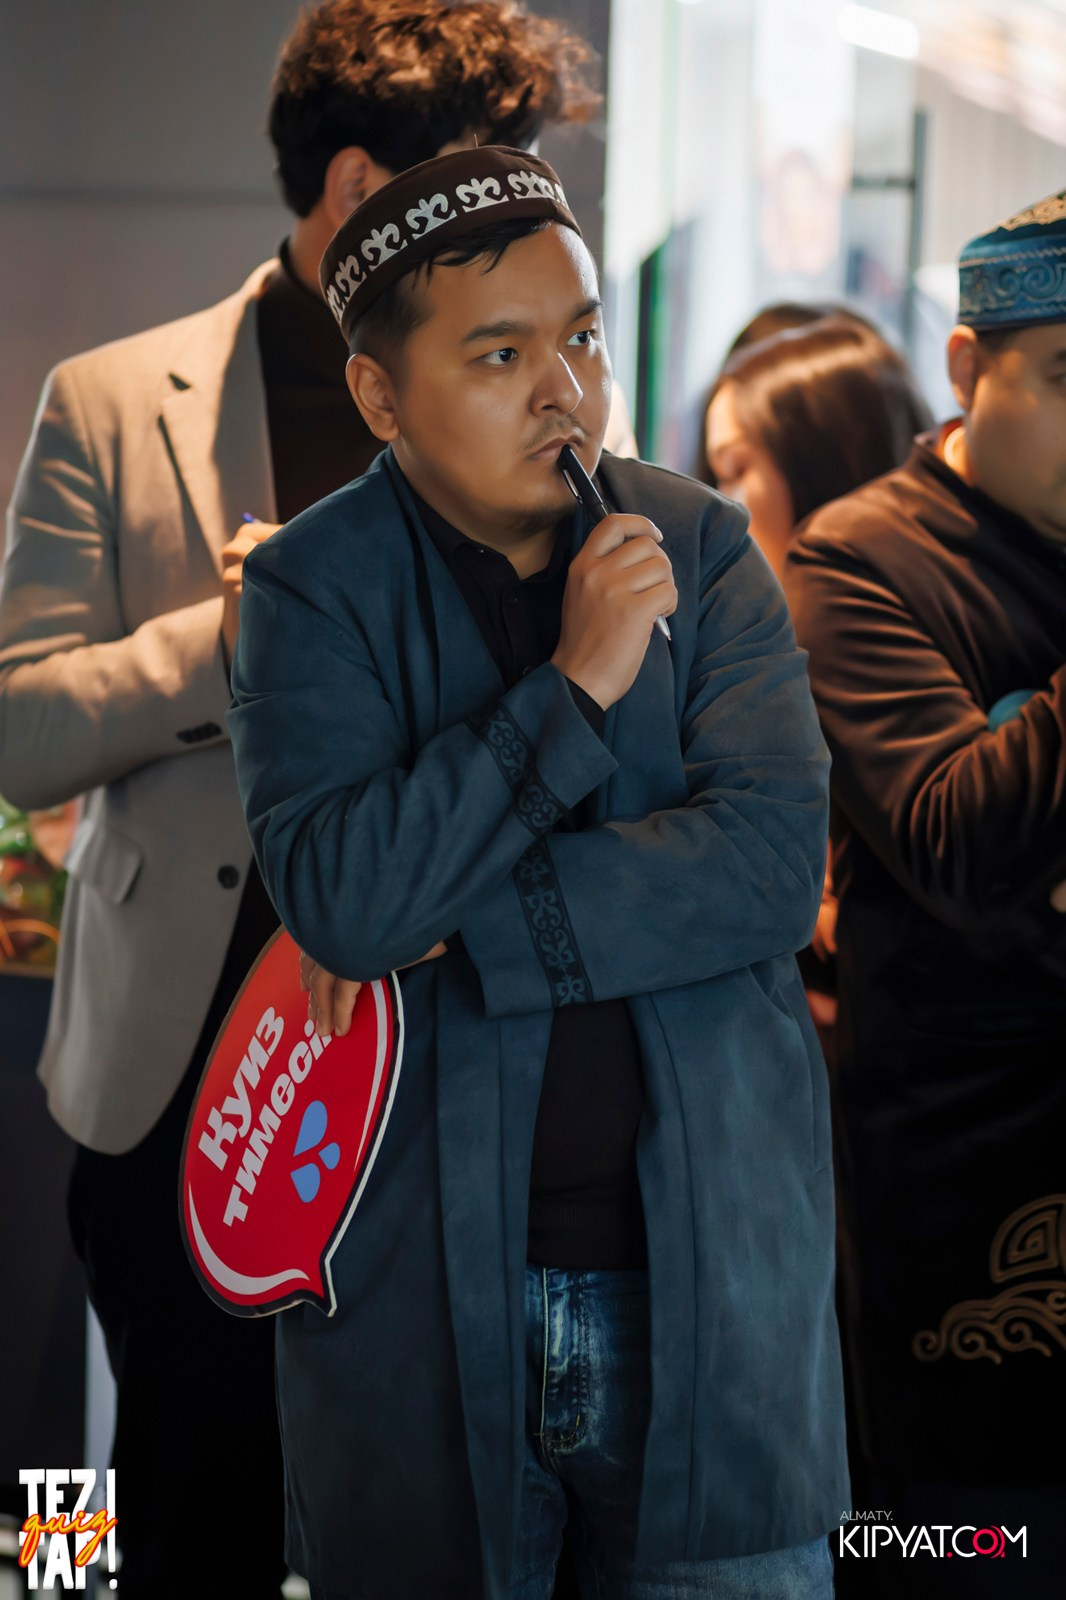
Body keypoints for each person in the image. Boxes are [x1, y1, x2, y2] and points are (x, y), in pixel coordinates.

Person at [0, 6, 600, 1594]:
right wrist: (226, 643)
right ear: (351, 186)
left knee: (425, 1507)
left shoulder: (530, 389)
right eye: (482, 176)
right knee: (178, 1490)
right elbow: (17, 730)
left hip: (452, 1031)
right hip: (190, 1058)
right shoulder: (112, 400)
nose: (519, 216)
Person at [227, 143, 848, 1600]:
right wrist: (570, 689)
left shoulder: (700, 549)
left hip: (708, 1287)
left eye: (581, 336)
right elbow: (349, 901)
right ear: (381, 394)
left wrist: (465, 915)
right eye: (500, 355)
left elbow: (770, 866)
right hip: (422, 1298)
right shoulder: (310, 588)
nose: (563, 389)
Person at [785, 190, 1066, 1598]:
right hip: (961, 1211)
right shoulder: (859, 560)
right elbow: (958, 838)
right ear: (967, 367)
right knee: (962, 1550)